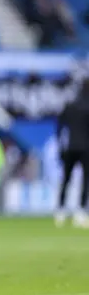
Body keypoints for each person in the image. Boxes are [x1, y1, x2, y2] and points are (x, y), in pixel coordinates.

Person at [55, 79, 89, 228]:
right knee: (85, 180)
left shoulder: (70, 105)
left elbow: (59, 127)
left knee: (66, 179)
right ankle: (80, 212)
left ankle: (60, 211)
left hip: (70, 146)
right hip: (86, 148)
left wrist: (60, 146)